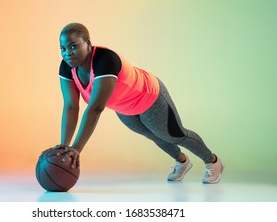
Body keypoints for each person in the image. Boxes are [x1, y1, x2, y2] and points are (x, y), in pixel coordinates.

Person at [54, 22, 224, 183]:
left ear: (88, 43)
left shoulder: (105, 60)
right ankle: (183, 162)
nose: (67, 52)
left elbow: (96, 108)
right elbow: (71, 106)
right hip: (124, 108)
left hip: (149, 96)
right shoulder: (67, 67)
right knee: (154, 135)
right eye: (63, 48)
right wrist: (64, 146)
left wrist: (76, 148)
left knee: (174, 135)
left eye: (73, 46)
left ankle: (213, 161)